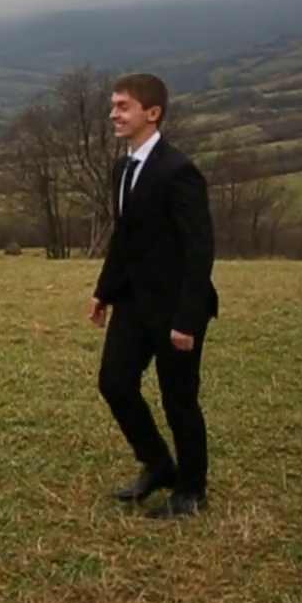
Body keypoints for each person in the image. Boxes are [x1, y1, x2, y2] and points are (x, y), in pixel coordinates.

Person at [89, 73, 220, 519]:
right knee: (114, 383)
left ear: (153, 113)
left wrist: (187, 318)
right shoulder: (123, 169)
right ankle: (159, 465)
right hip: (133, 301)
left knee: (178, 398)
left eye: (123, 106)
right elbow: (124, 237)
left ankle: (192, 490)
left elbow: (200, 250)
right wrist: (104, 291)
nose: (113, 114)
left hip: (175, 307)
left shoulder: (178, 172)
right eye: (113, 105)